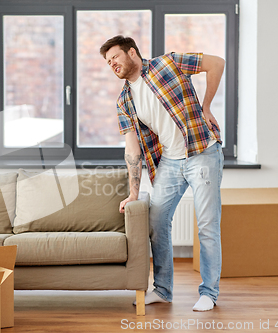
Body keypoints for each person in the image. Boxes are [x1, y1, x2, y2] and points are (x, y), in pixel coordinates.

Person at [100, 35, 225, 312]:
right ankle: (163, 290)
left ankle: (209, 292)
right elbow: (132, 150)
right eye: (108, 62)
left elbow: (216, 63)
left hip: (202, 152)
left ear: (132, 52)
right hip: (170, 160)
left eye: (115, 58)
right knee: (156, 221)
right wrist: (134, 193)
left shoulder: (169, 63)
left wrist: (206, 106)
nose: (112, 65)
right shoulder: (124, 100)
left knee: (206, 225)